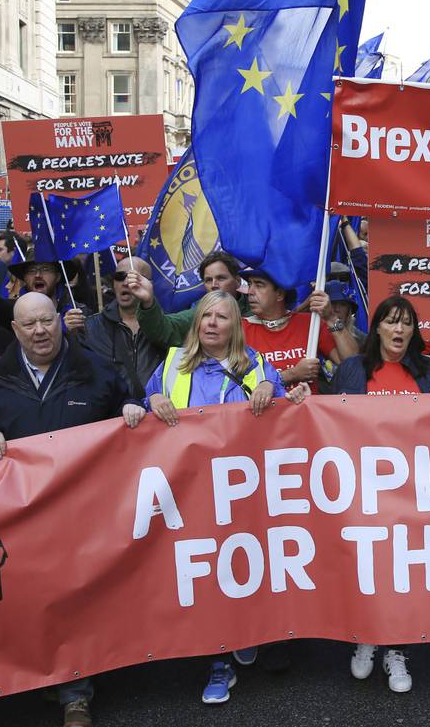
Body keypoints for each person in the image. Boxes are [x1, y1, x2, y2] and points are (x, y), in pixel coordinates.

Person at [0, 292, 147, 727]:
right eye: (29, 324)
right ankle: (47, 672)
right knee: (34, 599)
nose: (40, 331)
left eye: (47, 320)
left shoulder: (97, 371)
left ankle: (75, 694)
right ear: (15, 329)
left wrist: (131, 408)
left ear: (60, 321)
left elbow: (129, 403)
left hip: (84, 510)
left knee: (74, 598)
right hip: (20, 514)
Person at [145, 290, 308, 703]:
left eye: (222, 317)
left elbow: (286, 412)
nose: (212, 323)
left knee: (247, 569)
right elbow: (141, 412)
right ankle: (218, 662)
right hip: (193, 492)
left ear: (236, 325)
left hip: (244, 491)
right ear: (196, 322)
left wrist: (282, 392)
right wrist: (149, 401)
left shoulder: (256, 366)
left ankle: (247, 632)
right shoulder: (170, 365)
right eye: (206, 316)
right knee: (209, 576)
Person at [330, 296, 430, 694]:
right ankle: (367, 635)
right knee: (367, 567)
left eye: (406, 323)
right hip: (363, 487)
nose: (399, 329)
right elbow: (326, 421)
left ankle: (396, 647)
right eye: (392, 321)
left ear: (414, 331)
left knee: (403, 571)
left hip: (412, 489)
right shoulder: (351, 369)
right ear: (376, 326)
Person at [239, 267, 358, 392]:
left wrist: (331, 318)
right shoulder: (240, 329)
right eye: (250, 284)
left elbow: (353, 364)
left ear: (279, 294)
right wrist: (293, 374)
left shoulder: (311, 323)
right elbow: (236, 385)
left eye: (259, 285)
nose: (250, 291)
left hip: (308, 405)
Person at [130, 251, 251, 351]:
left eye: (221, 278)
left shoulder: (255, 310)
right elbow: (164, 329)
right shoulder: (197, 314)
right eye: (208, 280)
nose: (214, 285)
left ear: (237, 281)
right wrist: (148, 302)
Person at [82, 258, 165, 399]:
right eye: (120, 276)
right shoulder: (90, 328)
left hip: (157, 409)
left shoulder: (167, 326)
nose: (125, 282)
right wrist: (70, 336)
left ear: (149, 284)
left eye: (133, 277)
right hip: (113, 411)